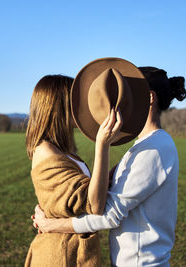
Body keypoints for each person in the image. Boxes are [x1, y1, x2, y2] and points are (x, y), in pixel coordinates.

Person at [33, 66, 186, 267]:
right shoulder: (145, 146)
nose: (117, 100)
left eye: (127, 94)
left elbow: (110, 215)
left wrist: (52, 225)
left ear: (149, 98)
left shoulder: (154, 149)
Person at [24, 74, 123, 266]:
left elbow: (89, 189)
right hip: (60, 255)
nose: (83, 107)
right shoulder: (45, 151)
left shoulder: (62, 150)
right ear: (58, 106)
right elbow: (94, 204)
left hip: (70, 251)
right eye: (75, 101)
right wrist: (102, 145)